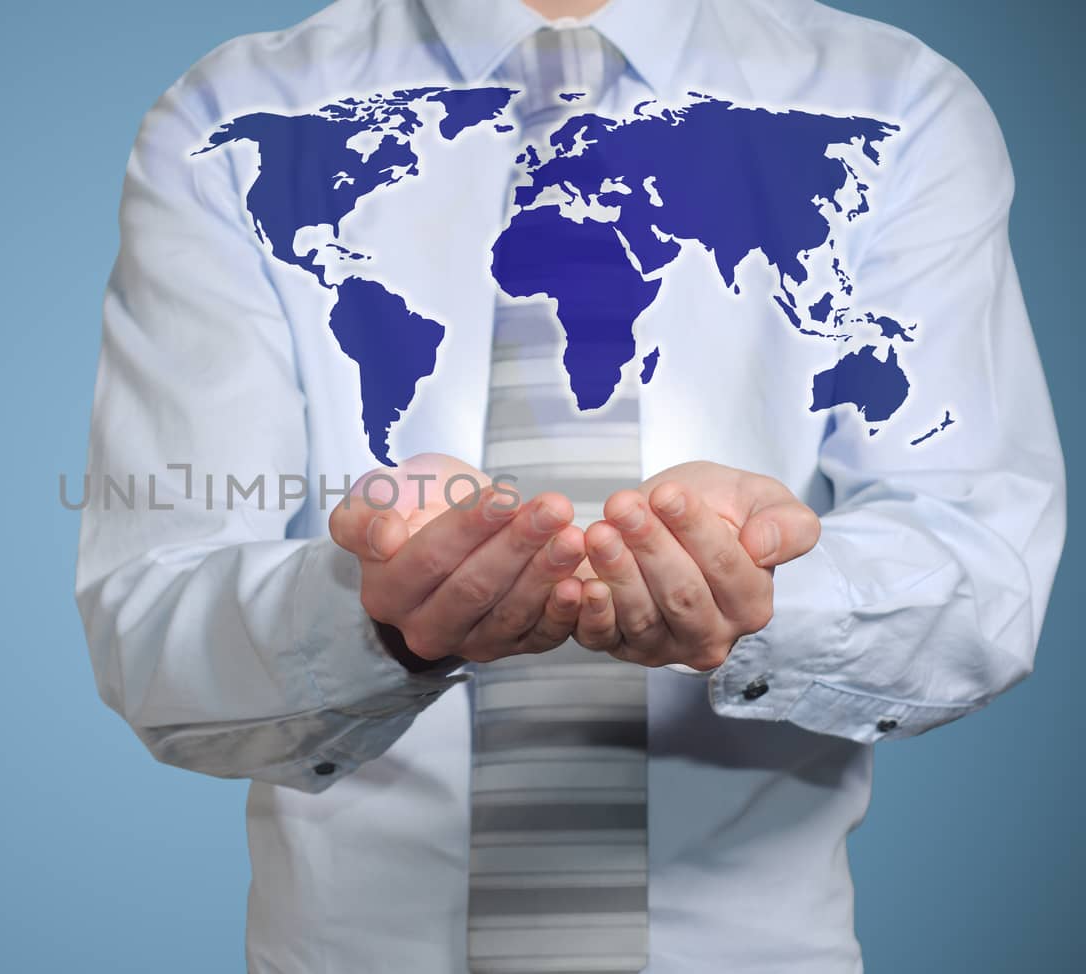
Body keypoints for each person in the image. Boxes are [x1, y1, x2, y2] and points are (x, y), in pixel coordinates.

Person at [75, 0, 1066, 970]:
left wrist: (760, 591)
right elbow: (151, 621)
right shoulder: (233, 119)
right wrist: (371, 619)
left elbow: (983, 577)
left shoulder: (894, 104)